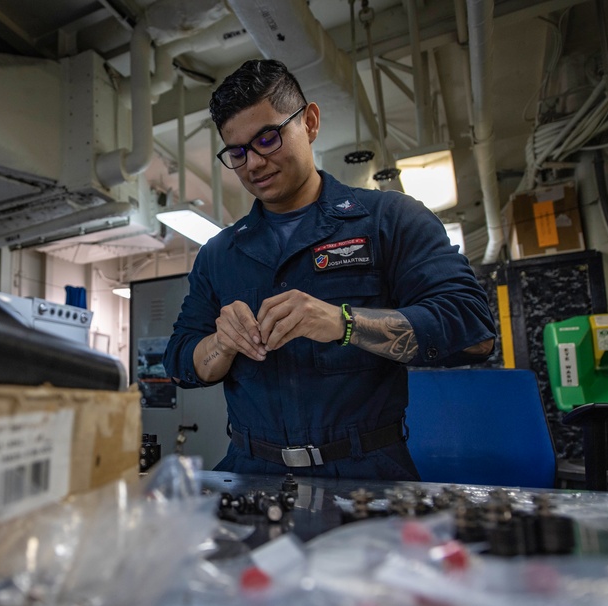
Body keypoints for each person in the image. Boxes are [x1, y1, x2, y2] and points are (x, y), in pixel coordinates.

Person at [162, 59, 496, 480]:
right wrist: (221, 343)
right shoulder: (219, 255)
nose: (254, 164)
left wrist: (345, 323)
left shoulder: (389, 220)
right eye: (238, 152)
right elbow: (178, 363)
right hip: (253, 474)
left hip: (367, 474)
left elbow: (473, 331)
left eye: (268, 138)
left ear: (311, 122)